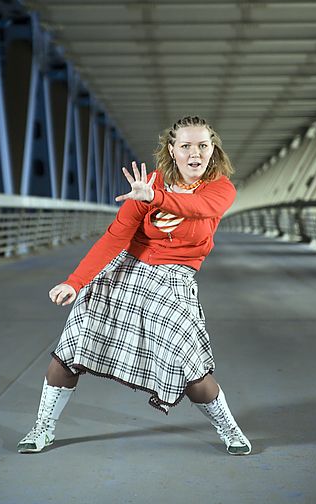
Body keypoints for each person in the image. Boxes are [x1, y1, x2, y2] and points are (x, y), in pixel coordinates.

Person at [17, 115, 251, 456]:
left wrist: (154, 197)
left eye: (203, 145)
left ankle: (229, 429)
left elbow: (199, 208)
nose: (195, 153)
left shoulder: (220, 188)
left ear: (212, 149)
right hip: (125, 271)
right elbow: (116, 237)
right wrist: (75, 282)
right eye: (185, 146)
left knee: (190, 367)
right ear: (172, 150)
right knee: (70, 350)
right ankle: (42, 428)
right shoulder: (150, 183)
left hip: (174, 279)